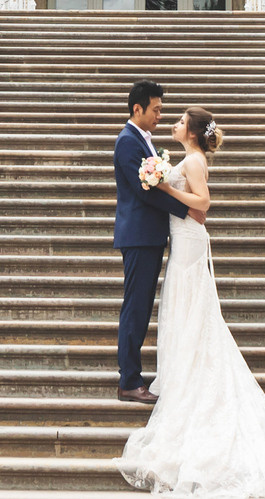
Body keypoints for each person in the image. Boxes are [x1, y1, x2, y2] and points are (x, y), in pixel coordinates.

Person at [118, 104, 265, 498]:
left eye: (181, 120)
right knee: (184, 311)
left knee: (191, 310)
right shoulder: (188, 156)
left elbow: (204, 203)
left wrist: (163, 186)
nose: (174, 122)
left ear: (191, 131)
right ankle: (184, 372)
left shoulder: (194, 160)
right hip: (182, 241)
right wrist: (166, 184)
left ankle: (192, 379)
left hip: (187, 241)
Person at [113, 80, 198, 403]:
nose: (160, 115)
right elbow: (144, 190)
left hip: (147, 236)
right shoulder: (127, 142)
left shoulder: (142, 141)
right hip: (138, 236)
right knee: (135, 308)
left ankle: (132, 377)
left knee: (141, 306)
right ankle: (129, 381)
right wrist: (185, 208)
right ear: (138, 108)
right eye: (156, 109)